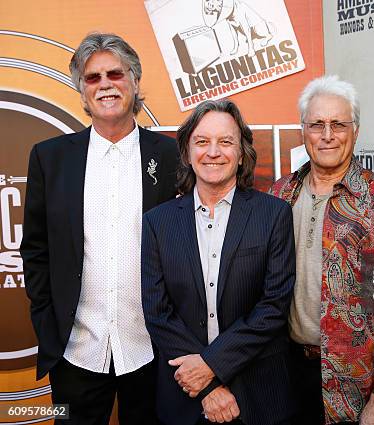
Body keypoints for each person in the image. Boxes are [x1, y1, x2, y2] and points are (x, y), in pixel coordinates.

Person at [20, 32, 179, 424]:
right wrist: (47, 323)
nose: (105, 84)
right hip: (75, 351)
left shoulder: (172, 155)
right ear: (82, 91)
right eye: (93, 78)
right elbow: (35, 249)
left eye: (115, 74)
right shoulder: (49, 158)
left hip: (153, 351)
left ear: (135, 82)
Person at [270, 75, 374, 425]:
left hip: (355, 383)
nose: (327, 135)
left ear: (355, 130)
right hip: (283, 372)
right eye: (317, 124)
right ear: (302, 130)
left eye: (338, 124)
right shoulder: (278, 195)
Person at [141, 99, 296, 425]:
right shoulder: (158, 222)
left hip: (256, 395)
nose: (213, 152)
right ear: (186, 152)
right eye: (202, 141)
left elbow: (273, 307)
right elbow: (158, 312)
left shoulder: (273, 215)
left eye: (226, 142)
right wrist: (208, 386)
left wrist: (211, 366)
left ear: (241, 154)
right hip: (184, 397)